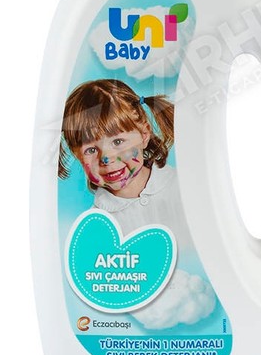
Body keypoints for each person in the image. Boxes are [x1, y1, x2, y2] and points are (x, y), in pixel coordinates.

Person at [59, 79, 192, 248]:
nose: (106, 158)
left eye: (118, 142)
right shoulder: (97, 226)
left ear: (144, 135)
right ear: (76, 155)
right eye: (91, 150)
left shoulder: (185, 187)